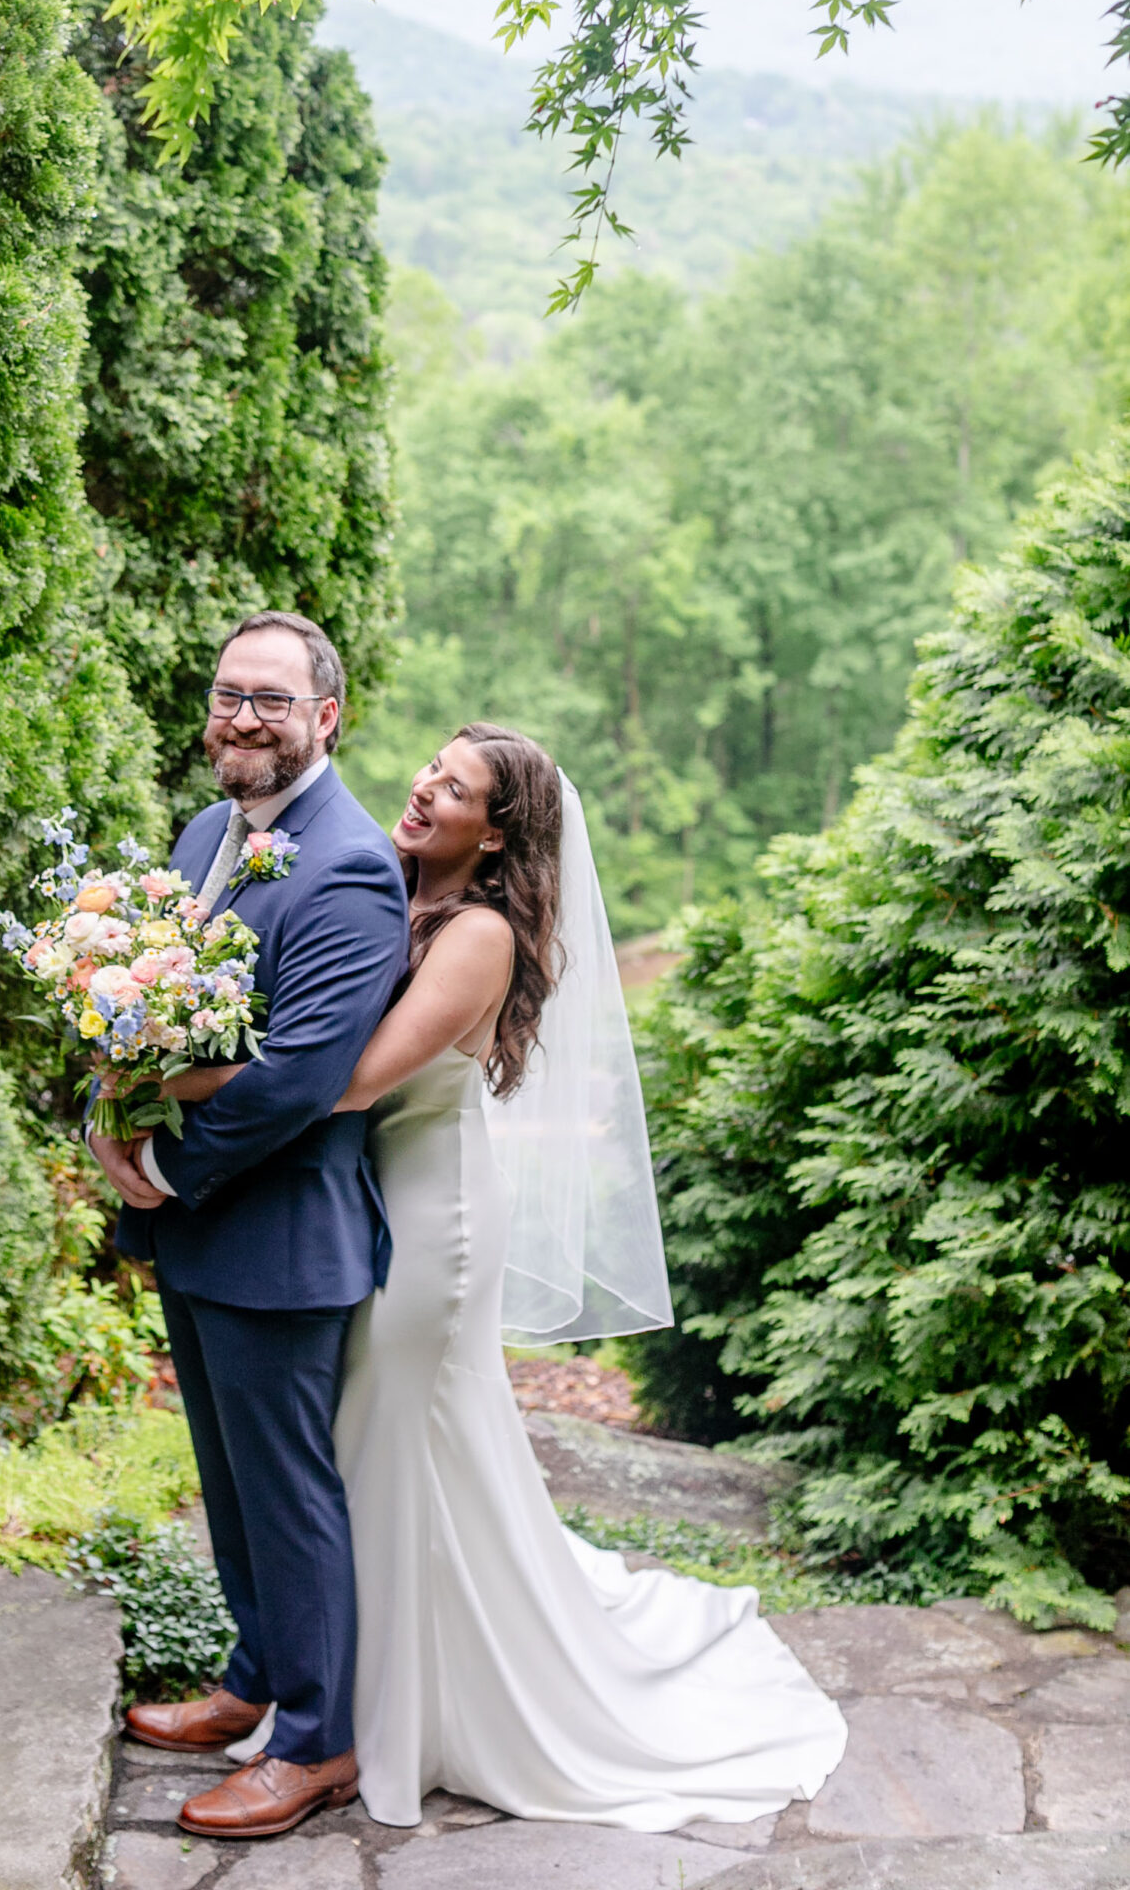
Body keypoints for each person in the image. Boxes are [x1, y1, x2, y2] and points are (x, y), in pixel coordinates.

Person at [185, 723, 847, 1834]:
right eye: (432, 770)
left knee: (385, 1439)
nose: (426, 789)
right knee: (361, 1447)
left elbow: (348, 1081)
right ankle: (331, 1693)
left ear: (497, 832)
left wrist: (195, 1077)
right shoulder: (377, 882)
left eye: (457, 789)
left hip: (428, 1211)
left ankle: (370, 1725)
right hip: (353, 1204)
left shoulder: (481, 932)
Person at [90, 611, 409, 1841]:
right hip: (202, 1226)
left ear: (326, 716)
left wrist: (163, 1163)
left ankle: (318, 1744)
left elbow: (296, 1074)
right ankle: (251, 1679)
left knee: (287, 1492)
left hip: (279, 1230)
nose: (244, 717)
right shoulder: (207, 831)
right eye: (230, 694)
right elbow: (134, 1000)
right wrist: (101, 1112)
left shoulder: (349, 863)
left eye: (272, 699)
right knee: (226, 1483)